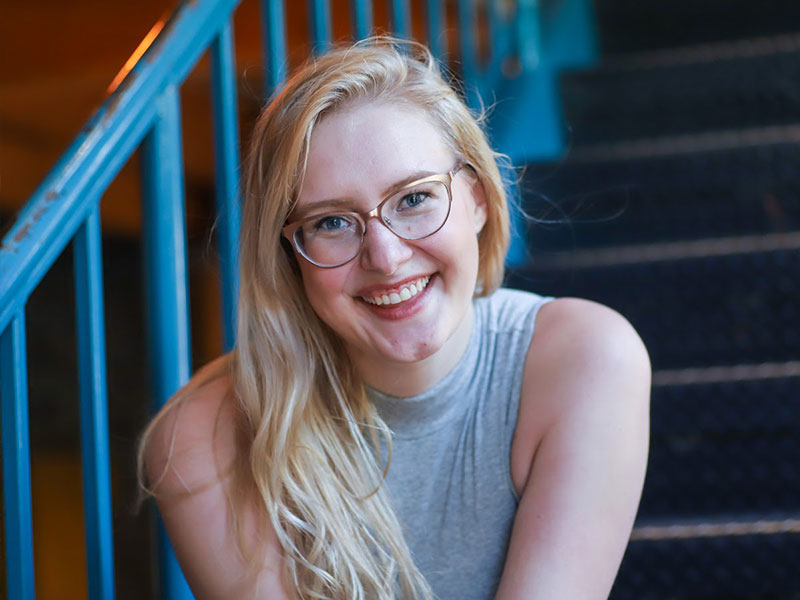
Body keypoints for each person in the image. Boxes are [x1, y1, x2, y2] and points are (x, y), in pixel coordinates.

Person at [139, 39, 650, 600]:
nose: (385, 257)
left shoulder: (585, 359)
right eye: (331, 222)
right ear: (289, 255)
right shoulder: (205, 439)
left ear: (477, 198)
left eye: (413, 199)